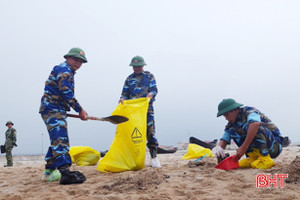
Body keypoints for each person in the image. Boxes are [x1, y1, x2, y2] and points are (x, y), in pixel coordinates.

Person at [39, 47, 89, 184]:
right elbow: (66, 92)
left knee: (56, 139)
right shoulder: (65, 70)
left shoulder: (68, 71)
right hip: (52, 108)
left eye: (80, 61)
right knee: (61, 140)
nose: (77, 63)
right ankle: (65, 171)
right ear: (67, 58)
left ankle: (49, 171)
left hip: (56, 108)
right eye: (75, 59)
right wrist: (80, 110)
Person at [212, 98, 283, 169]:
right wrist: (219, 148)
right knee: (232, 131)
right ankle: (253, 157)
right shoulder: (231, 125)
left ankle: (265, 157)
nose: (226, 118)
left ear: (235, 110)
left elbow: (255, 124)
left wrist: (244, 147)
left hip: (274, 146)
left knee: (254, 126)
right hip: (256, 151)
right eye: (224, 116)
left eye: (227, 115)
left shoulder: (249, 111)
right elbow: (224, 139)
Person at [119, 55, 161, 168]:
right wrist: (122, 99)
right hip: (133, 112)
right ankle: (133, 158)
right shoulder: (129, 79)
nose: (137, 68)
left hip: (147, 110)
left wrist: (151, 95)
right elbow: (124, 94)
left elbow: (154, 89)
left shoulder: (149, 76)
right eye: (135, 66)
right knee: (133, 133)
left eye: (139, 66)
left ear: (143, 66)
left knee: (150, 132)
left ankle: (154, 157)